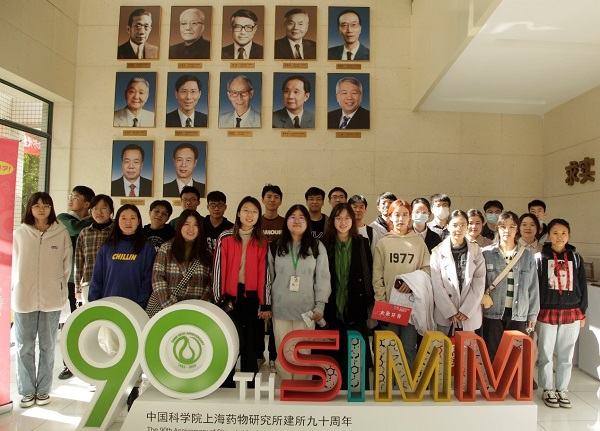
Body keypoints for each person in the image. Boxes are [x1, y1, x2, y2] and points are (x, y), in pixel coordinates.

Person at [89, 204, 156, 409]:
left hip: (136, 309)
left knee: (135, 349)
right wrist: (94, 304)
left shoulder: (146, 248)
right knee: (113, 348)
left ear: (139, 221)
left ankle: (134, 387)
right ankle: (116, 387)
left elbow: (148, 280)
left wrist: (140, 304)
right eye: (124, 218)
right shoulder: (107, 247)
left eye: (133, 218)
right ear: (117, 221)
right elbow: (97, 278)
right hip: (111, 308)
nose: (128, 222)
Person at [12, 192, 71, 408]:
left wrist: (58, 286)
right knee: (24, 346)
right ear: (29, 208)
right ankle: (27, 391)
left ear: (51, 208)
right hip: (23, 297)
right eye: (36, 205)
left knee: (47, 345)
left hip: (51, 298)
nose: (41, 209)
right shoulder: (19, 233)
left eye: (45, 205)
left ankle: (44, 390)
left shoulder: (61, 232)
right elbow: (12, 264)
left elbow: (66, 266)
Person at [265, 204, 330, 380]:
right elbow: (268, 279)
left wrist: (320, 307)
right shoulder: (275, 246)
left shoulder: (317, 246)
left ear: (307, 222)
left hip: (306, 311)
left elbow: (323, 278)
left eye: (301, 217)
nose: (297, 221)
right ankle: (286, 389)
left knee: (303, 355)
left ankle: (303, 392)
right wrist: (266, 305)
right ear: (286, 221)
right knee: (283, 354)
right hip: (280, 310)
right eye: (292, 217)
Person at [212, 196, 269, 387]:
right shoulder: (226, 237)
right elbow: (218, 269)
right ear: (238, 213)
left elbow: (264, 273)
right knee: (229, 342)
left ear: (259, 215)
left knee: (250, 344)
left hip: (251, 297)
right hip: (229, 298)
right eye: (246, 210)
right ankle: (225, 385)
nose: (249, 215)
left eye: (254, 211)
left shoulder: (261, 241)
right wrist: (219, 299)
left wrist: (264, 302)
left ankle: (250, 387)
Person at [535, 219, 588, 409]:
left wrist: (582, 311)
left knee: (567, 354)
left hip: (571, 311)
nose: (559, 237)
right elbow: (535, 287)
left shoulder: (576, 258)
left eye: (563, 233)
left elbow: (583, 286)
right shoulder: (539, 258)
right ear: (548, 235)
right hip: (546, 311)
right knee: (546, 353)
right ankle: (547, 388)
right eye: (555, 233)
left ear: (569, 235)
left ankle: (562, 389)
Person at [372, 199, 431, 366]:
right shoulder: (383, 242)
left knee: (408, 348)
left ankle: (407, 382)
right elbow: (377, 276)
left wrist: (411, 282)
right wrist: (381, 302)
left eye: (405, 214)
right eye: (397, 215)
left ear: (410, 217)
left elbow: (428, 270)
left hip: (411, 307)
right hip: (388, 306)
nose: (401, 219)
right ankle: (388, 382)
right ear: (390, 217)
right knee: (388, 349)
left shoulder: (418, 242)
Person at [323, 203, 373, 389]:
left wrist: (370, 302)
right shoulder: (324, 244)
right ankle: (333, 393)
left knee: (356, 357)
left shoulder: (362, 243)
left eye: (346, 218)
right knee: (332, 358)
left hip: (356, 306)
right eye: (338, 218)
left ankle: (356, 395)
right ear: (332, 221)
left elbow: (368, 273)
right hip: (331, 307)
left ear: (353, 221)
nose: (342, 222)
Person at [481, 211, 539, 361]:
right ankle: (494, 377)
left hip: (518, 312)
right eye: (503, 226)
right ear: (497, 228)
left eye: (512, 227)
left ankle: (512, 377)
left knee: (515, 357)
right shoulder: (486, 253)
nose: (507, 230)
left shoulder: (526, 256)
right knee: (492, 354)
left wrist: (532, 314)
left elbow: (533, 287)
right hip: (492, 311)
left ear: (517, 229)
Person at [56, 185, 94, 380]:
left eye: (75, 197)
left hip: (88, 279)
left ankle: (89, 360)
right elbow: (75, 228)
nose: (70, 199)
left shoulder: (91, 222)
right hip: (69, 279)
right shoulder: (63, 218)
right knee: (68, 322)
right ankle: (68, 364)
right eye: (70, 196)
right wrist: (95, 219)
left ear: (87, 204)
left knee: (88, 322)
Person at [431, 210, 485, 335]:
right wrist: (449, 311)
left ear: (467, 227)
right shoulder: (437, 252)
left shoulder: (475, 250)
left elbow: (479, 281)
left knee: (467, 346)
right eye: (455, 225)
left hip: (468, 313)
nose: (458, 229)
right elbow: (437, 285)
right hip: (445, 314)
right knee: (443, 345)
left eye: (462, 225)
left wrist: (467, 309)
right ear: (448, 226)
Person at [149, 209, 212, 312]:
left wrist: (200, 307)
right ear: (180, 226)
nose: (191, 228)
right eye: (187, 224)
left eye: (195, 225)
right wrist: (169, 305)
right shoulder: (166, 248)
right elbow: (157, 278)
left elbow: (210, 283)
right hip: (166, 308)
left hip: (195, 310)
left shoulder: (206, 252)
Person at [259, 184, 284, 372]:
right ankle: (259, 354)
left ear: (281, 200)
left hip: (279, 276)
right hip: (258, 274)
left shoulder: (285, 223)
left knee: (276, 317)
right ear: (263, 199)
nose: (272, 200)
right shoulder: (256, 222)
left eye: (276, 197)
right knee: (258, 317)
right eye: (269, 196)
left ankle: (274, 356)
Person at [75, 195, 115, 304]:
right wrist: (77, 289)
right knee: (91, 314)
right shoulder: (85, 233)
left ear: (111, 210)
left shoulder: (117, 231)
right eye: (95, 208)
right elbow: (79, 262)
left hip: (111, 283)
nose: (99, 212)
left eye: (103, 208)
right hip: (89, 283)